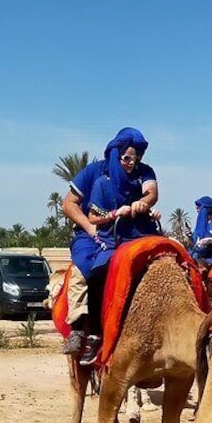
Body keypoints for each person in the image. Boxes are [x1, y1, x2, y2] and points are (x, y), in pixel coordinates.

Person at [60, 127, 158, 357]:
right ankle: (79, 328)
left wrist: (144, 203)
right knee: (84, 271)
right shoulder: (95, 174)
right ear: (117, 153)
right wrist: (91, 228)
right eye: (127, 156)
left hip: (135, 230)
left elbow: (151, 192)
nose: (132, 162)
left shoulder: (144, 172)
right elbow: (69, 204)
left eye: (138, 156)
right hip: (94, 231)